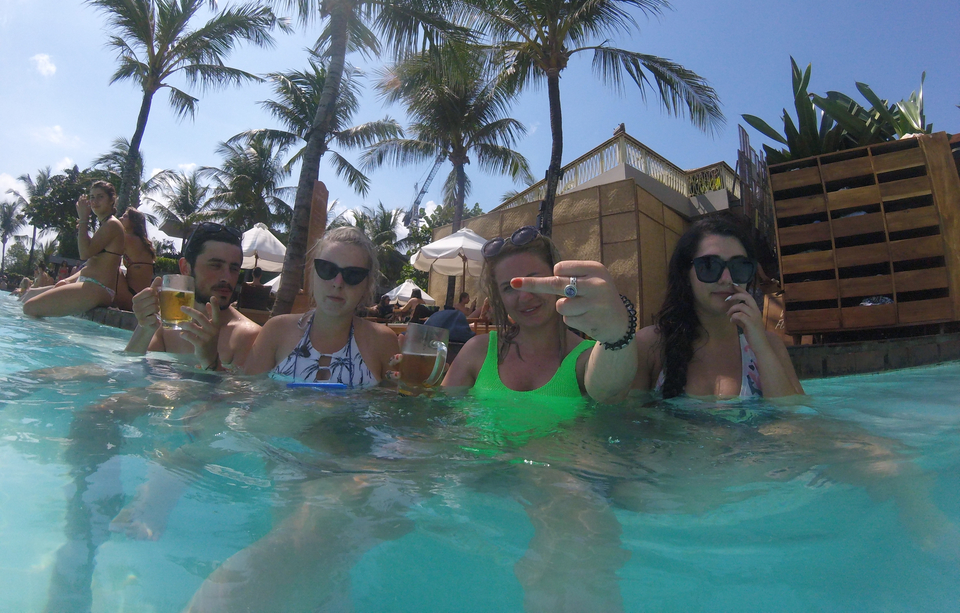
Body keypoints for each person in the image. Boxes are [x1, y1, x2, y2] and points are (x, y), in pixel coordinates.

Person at [442, 226, 638, 403]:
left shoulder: (586, 357)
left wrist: (618, 332)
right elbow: (439, 416)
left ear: (558, 280)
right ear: (499, 298)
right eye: (509, 288)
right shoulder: (478, 351)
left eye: (534, 281)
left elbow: (610, 394)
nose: (525, 296)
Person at [631, 212, 804, 398]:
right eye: (709, 265)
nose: (726, 279)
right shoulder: (651, 346)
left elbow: (792, 420)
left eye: (739, 266)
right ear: (685, 275)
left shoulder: (770, 346)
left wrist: (760, 346)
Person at [241, 226, 399, 384]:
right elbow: (246, 398)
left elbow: (396, 403)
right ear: (313, 274)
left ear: (367, 285)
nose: (338, 283)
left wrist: (415, 384)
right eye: (327, 269)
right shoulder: (277, 331)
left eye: (353, 274)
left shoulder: (382, 342)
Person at [125, 222, 260, 370]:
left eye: (234, 268)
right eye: (215, 265)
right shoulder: (167, 325)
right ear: (185, 268)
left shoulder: (249, 336)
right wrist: (144, 327)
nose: (227, 278)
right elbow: (130, 374)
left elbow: (243, 392)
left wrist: (212, 363)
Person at [22, 181, 125, 317]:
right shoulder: (105, 224)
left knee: (30, 308)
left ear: (112, 200)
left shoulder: (112, 224)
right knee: (28, 297)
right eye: (92, 197)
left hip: (98, 287)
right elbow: (91, 255)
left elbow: (84, 254)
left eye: (100, 196)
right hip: (89, 284)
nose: (95, 201)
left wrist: (83, 220)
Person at [114, 207, 156, 311]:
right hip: (139, 298)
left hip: (132, 297)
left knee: (110, 265)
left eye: (125, 216)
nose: (120, 218)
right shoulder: (142, 241)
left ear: (133, 222)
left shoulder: (128, 238)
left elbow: (99, 250)